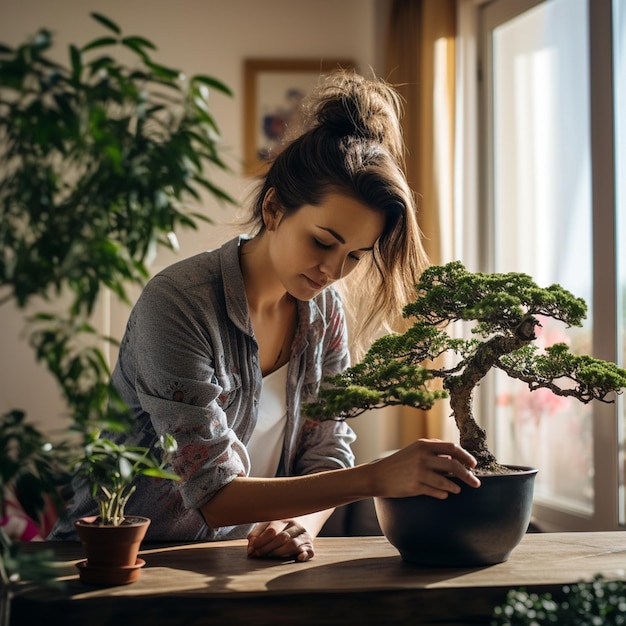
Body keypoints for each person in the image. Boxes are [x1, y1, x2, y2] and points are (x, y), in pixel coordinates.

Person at [48, 69, 480, 561]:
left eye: (356, 256)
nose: (333, 272)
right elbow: (213, 493)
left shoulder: (324, 313)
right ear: (274, 209)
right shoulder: (178, 303)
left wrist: (298, 525)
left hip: (233, 566)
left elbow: (327, 452)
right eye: (322, 242)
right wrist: (378, 477)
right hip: (114, 566)